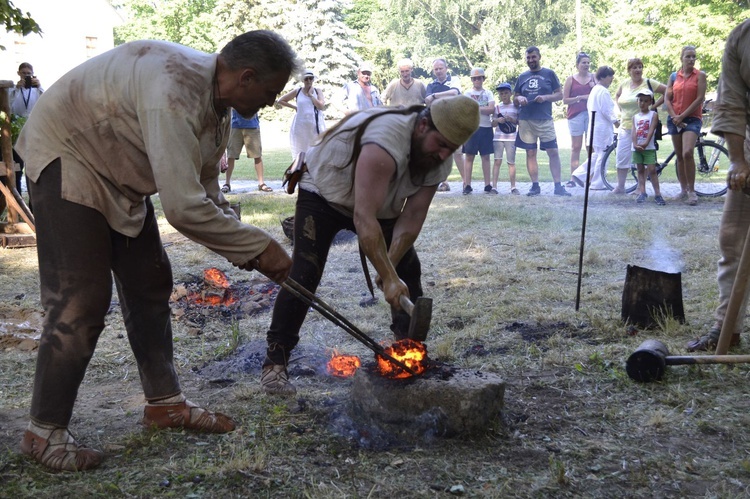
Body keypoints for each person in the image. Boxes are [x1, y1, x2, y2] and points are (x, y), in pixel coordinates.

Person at [14, 30, 297, 472]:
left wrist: (250, 249)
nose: (271, 100)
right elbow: (183, 210)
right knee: (81, 301)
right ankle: (43, 432)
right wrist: (262, 248)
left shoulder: (216, 104)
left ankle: (165, 403)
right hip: (67, 156)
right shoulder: (174, 91)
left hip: (118, 171)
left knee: (150, 282)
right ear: (246, 76)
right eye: (270, 90)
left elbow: (204, 190)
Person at [260, 96, 479, 395]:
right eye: (440, 144)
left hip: (378, 203)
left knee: (408, 268)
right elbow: (364, 217)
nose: (443, 155)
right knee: (305, 272)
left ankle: (407, 348)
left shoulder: (438, 158)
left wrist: (392, 265)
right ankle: (276, 360)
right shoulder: (385, 141)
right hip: (325, 190)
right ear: (423, 125)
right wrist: (387, 276)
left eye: (450, 150)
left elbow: (412, 217)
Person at [686, 20, 750, 351]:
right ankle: (728, 328)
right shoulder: (742, 36)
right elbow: (732, 102)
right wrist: (738, 160)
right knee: (732, 237)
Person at [514, 46, 570, 197]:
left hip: (545, 119)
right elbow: (515, 98)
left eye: (533, 57)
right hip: (526, 120)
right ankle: (535, 186)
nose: (531, 60)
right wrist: (519, 98)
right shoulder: (522, 76)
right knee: (530, 153)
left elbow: (560, 95)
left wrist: (545, 98)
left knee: (553, 152)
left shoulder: (549, 74)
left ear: (539, 57)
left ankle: (558, 186)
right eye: (528, 58)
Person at [613, 58, 666, 194]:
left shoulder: (649, 83)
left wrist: (653, 106)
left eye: (640, 67)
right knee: (622, 156)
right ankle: (620, 187)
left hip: (644, 127)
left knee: (642, 158)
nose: (637, 70)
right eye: (634, 67)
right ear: (629, 70)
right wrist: (621, 109)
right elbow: (617, 96)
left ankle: (640, 188)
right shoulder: (624, 84)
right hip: (625, 126)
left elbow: (668, 91)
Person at [666, 45, 707, 206]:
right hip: (674, 118)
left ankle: (692, 191)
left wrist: (682, 116)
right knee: (679, 155)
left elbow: (700, 99)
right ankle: (683, 190)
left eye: (693, 56)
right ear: (681, 58)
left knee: (688, 152)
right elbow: (668, 98)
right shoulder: (674, 76)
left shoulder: (700, 76)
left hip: (692, 119)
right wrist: (674, 116)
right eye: (688, 56)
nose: (691, 59)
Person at [571, 66, 619, 190]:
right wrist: (616, 121)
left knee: (597, 155)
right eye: (610, 76)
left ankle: (579, 174)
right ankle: (598, 183)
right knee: (603, 155)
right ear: (603, 77)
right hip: (602, 128)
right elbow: (607, 110)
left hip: (594, 126)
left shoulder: (594, 90)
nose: (612, 78)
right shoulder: (603, 91)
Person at [6, 62, 43, 195]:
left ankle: (33, 206)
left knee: (33, 170)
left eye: (29, 74)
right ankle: (18, 198)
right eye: (24, 73)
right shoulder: (12, 90)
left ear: (33, 74)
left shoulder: (38, 90)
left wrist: (39, 87)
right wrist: (16, 89)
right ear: (18, 73)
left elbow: (46, 104)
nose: (26, 76)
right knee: (17, 168)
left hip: (33, 133)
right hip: (17, 134)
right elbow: (7, 108)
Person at [425, 58, 462, 192]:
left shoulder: (455, 80)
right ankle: (444, 183)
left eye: (441, 68)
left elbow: (454, 93)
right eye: (436, 69)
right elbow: (428, 101)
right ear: (433, 71)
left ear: (446, 68)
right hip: (438, 123)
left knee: (458, 153)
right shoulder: (430, 84)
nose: (439, 71)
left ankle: (466, 183)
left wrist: (435, 96)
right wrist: (436, 97)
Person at [276, 70, 327, 158]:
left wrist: (311, 95)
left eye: (311, 79)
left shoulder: (317, 91)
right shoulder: (298, 91)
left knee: (317, 151)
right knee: (300, 152)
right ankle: (299, 169)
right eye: (306, 79)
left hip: (316, 126)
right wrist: (295, 107)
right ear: (303, 80)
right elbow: (281, 100)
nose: (308, 81)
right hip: (301, 126)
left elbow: (321, 106)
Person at [563, 52, 596, 188]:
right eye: (583, 62)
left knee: (591, 147)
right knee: (576, 147)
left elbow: (597, 94)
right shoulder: (570, 79)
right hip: (575, 115)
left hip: (590, 115)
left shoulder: (593, 78)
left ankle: (590, 178)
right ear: (577, 65)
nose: (586, 65)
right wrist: (580, 97)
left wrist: (593, 86)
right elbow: (565, 100)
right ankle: (573, 177)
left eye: (588, 62)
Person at [462, 68, 495, 194]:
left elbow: (491, 109)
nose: (477, 80)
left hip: (486, 127)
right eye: (474, 78)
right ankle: (467, 185)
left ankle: (487, 185)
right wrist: (483, 108)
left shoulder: (488, 93)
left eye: (479, 78)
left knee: (485, 156)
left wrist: (475, 107)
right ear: (472, 80)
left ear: (483, 79)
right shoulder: (467, 93)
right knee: (469, 156)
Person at [222, 111, 272, 193]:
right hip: (235, 126)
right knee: (231, 156)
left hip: (252, 126)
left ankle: (261, 183)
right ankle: (227, 183)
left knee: (257, 155)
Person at [631, 89, 664, 205]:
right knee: (640, 170)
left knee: (652, 170)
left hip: (648, 147)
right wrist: (635, 144)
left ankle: (658, 194)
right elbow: (634, 131)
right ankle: (642, 192)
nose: (643, 103)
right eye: (640, 100)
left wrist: (645, 143)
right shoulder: (635, 117)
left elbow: (651, 130)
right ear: (637, 101)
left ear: (650, 102)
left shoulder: (653, 115)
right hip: (636, 148)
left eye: (646, 101)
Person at [491, 82, 519, 195]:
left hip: (512, 138)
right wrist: (498, 120)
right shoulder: (497, 107)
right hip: (498, 138)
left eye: (506, 93)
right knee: (497, 161)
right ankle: (494, 187)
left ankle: (513, 187)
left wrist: (511, 119)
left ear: (511, 93)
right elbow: (492, 123)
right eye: (501, 93)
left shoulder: (516, 107)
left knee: (511, 162)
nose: (504, 95)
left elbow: (519, 122)